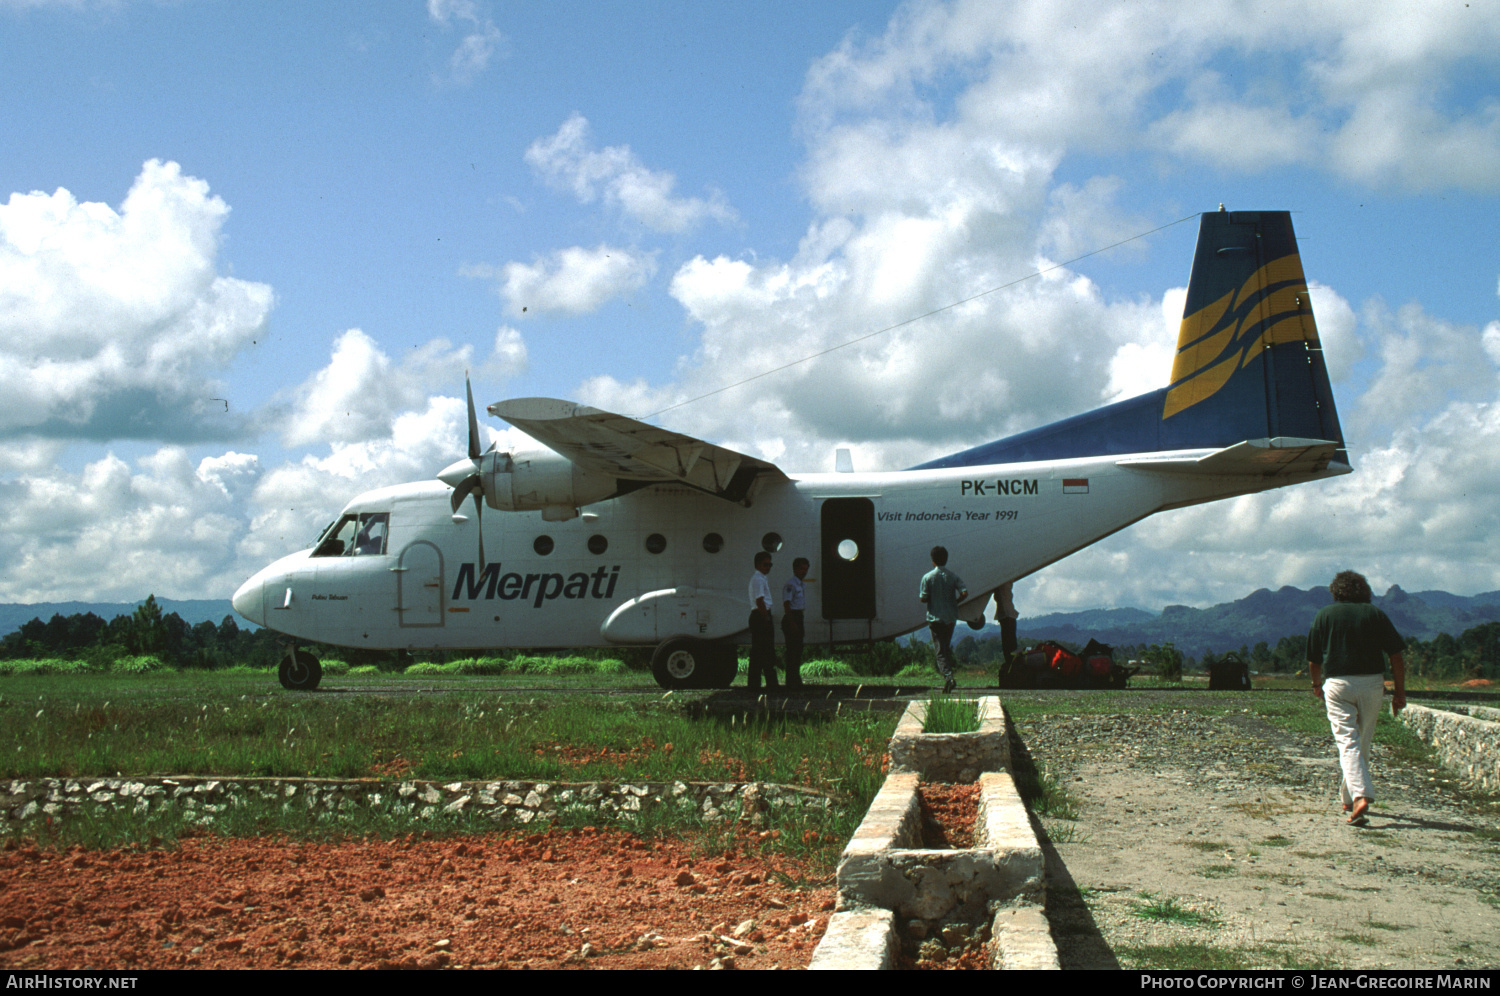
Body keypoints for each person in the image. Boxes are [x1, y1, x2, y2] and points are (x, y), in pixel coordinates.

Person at [1307, 570, 1407, 826]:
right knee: (1362, 740)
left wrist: (1316, 684)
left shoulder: (1324, 615)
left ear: (1335, 591)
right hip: (1373, 683)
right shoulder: (1375, 614)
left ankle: (1360, 794)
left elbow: (1314, 659)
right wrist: (1399, 691)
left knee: (1347, 742)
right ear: (1364, 590)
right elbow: (1396, 656)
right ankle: (1349, 797)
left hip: (1338, 684)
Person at [919, 545, 967, 693]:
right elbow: (964, 592)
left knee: (940, 651)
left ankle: (949, 678)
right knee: (945, 648)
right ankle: (948, 678)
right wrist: (955, 602)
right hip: (950, 617)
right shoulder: (953, 576)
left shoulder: (927, 577)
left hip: (934, 618)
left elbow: (923, 598)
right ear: (946, 559)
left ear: (933, 560)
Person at [747, 551, 779, 692]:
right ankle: (766, 684)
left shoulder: (761, 578)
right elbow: (759, 600)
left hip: (759, 615)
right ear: (758, 564)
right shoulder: (758, 579)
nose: (768, 567)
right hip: (760, 615)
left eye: (770, 564)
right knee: (764, 650)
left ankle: (757, 683)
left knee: (761, 651)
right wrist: (766, 617)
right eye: (766, 564)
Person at [781, 557, 809, 690]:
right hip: (792, 616)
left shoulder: (800, 584)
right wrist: (791, 622)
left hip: (798, 616)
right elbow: (786, 604)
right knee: (792, 651)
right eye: (801, 569)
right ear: (795, 569)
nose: (804, 571)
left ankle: (795, 680)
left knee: (798, 650)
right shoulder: (791, 584)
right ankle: (791, 682)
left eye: (805, 569)